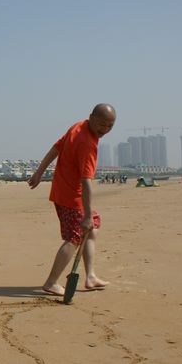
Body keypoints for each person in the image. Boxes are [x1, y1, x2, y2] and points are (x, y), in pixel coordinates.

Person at [27, 103, 116, 296]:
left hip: (61, 192)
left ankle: (90, 276)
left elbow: (55, 148)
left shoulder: (78, 126)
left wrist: (39, 172)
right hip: (71, 196)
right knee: (75, 236)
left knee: (93, 226)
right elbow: (86, 183)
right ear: (91, 117)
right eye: (102, 124)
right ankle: (51, 282)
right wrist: (85, 215)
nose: (105, 130)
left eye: (110, 126)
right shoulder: (88, 144)